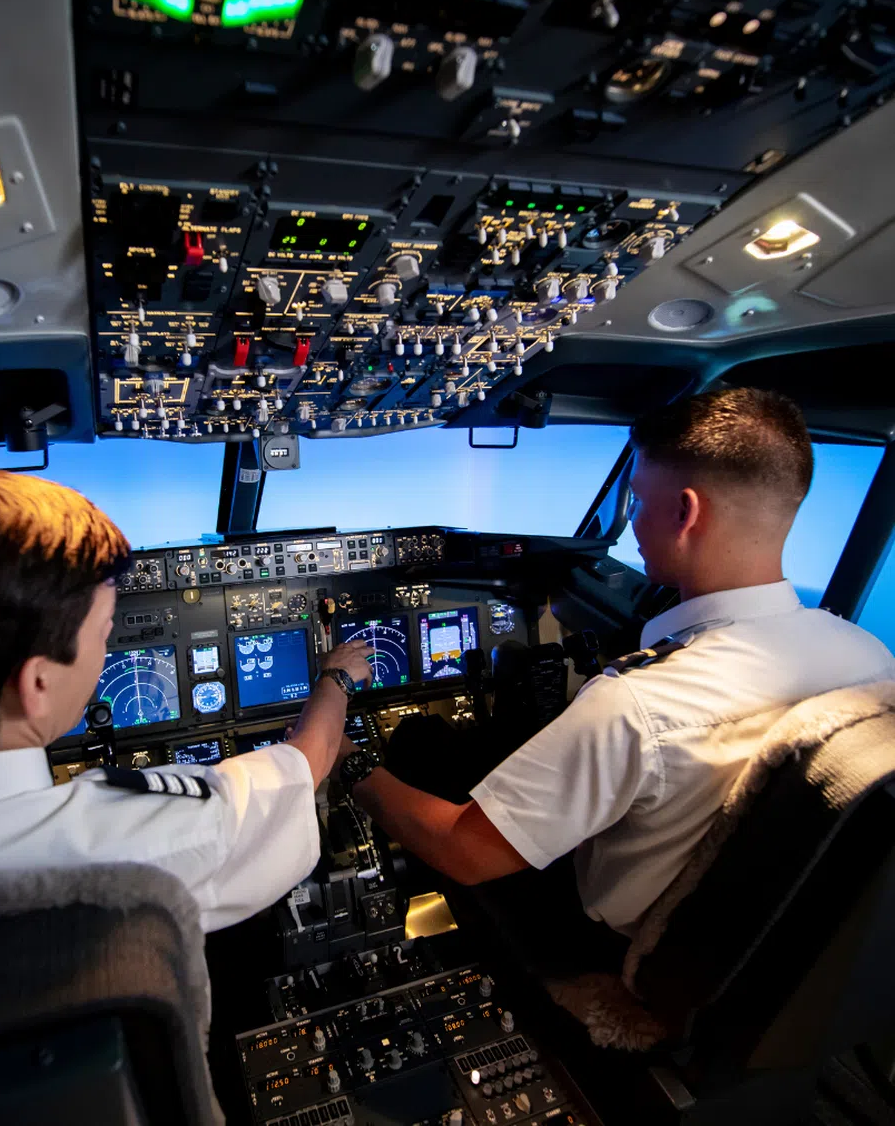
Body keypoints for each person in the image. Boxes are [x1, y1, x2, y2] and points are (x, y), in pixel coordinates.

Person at [336, 387, 895, 970]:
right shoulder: (869, 656)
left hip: (608, 946)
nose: (629, 525)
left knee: (421, 750)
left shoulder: (641, 704)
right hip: (765, 941)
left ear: (685, 512)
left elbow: (462, 851)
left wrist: (345, 760)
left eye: (636, 501)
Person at [0, 469, 373, 934]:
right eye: (103, 636)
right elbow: (306, 763)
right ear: (37, 684)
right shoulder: (151, 838)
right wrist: (335, 679)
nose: (106, 658)